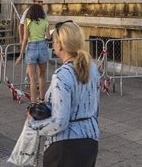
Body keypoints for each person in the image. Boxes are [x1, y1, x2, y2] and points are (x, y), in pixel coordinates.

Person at [28, 20, 99, 166]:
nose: (53, 45)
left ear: (59, 45)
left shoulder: (62, 75)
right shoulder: (92, 67)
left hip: (65, 146)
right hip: (90, 140)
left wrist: (34, 124)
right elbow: (95, 107)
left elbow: (60, 122)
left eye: (54, 41)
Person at [16, 1, 50, 102]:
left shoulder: (28, 21)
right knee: (42, 76)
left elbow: (25, 38)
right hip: (43, 47)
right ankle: (42, 99)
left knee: (32, 78)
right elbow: (48, 36)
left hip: (32, 48)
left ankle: (33, 101)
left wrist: (21, 55)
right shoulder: (45, 21)